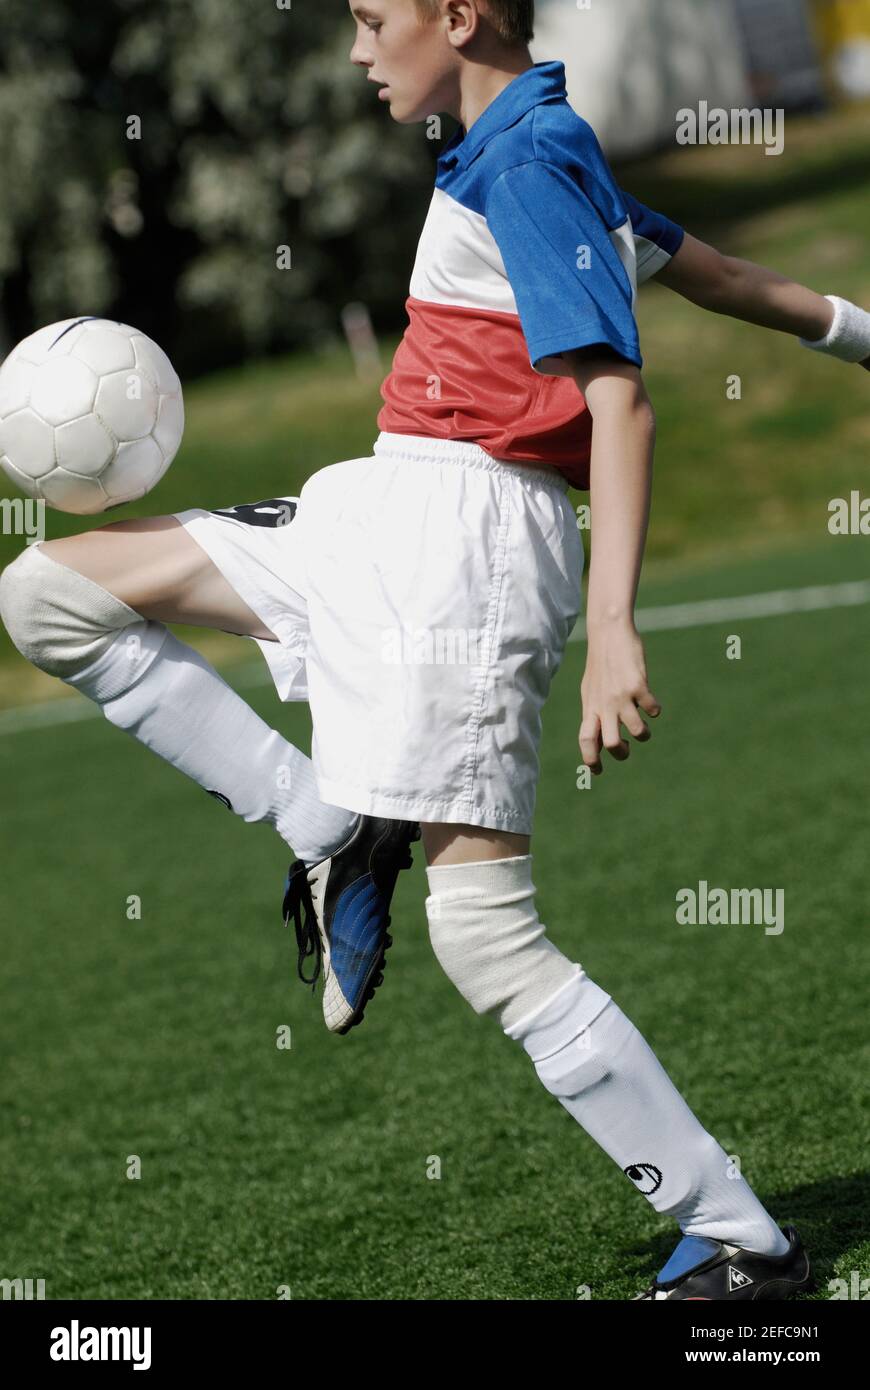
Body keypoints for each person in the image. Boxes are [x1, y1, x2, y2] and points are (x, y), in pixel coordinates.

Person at [2, 0, 868, 1299]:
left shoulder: (524, 159)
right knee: (47, 595)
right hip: (383, 499)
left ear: (456, 16)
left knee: (485, 935)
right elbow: (704, 269)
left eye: (370, 18)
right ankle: (323, 821)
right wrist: (858, 331)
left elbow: (617, 405)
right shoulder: (513, 143)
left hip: (468, 540)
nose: (354, 48)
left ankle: (740, 1239)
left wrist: (612, 626)